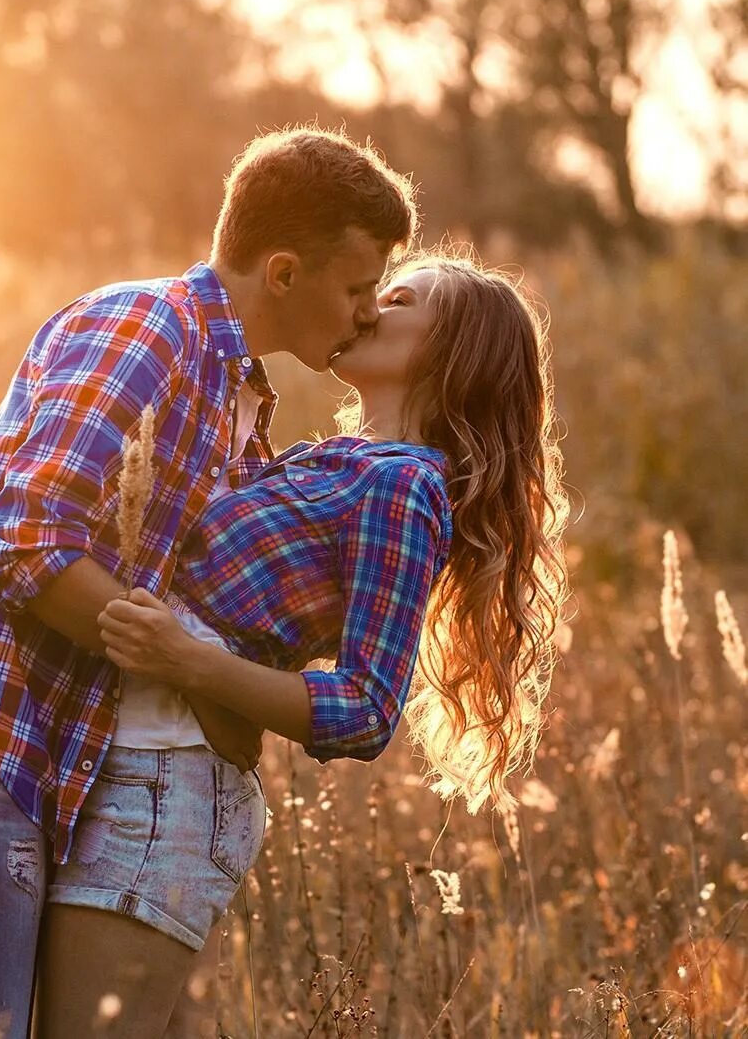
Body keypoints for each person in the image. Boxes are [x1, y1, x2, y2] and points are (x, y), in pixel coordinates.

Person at [0, 126, 418, 1039]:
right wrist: (173, 655)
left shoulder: (240, 400)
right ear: (286, 272)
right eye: (357, 285)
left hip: (40, 742)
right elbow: (19, 536)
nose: (367, 312)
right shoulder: (150, 329)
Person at [35, 254, 569, 1037]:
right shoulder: (323, 459)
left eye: (393, 299)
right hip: (128, 764)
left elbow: (363, 707)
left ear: (454, 348)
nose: (362, 310)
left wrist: (188, 661)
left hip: (167, 791)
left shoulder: (405, 485)